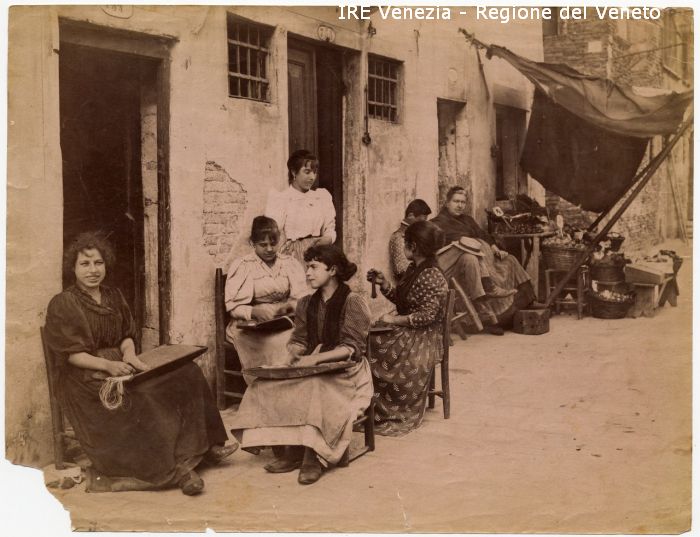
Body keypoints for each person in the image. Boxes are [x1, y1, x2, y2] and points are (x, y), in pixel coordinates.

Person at [44, 232, 235, 496]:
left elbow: (126, 336)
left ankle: (206, 446)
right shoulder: (64, 303)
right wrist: (108, 366)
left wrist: (131, 356)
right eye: (84, 264)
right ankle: (175, 469)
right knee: (144, 395)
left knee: (188, 372)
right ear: (73, 268)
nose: (93, 270)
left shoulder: (113, 296)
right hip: (86, 378)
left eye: (98, 263)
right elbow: (72, 355)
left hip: (121, 367)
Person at [230, 245, 373, 485]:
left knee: (313, 386)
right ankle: (291, 449)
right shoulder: (306, 303)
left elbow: (352, 348)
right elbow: (299, 340)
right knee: (266, 383)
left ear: (333, 270)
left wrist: (315, 359)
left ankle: (312, 455)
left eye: (314, 267)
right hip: (313, 364)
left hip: (348, 371)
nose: (307, 273)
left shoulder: (353, 302)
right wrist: (291, 358)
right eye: (307, 267)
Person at [367, 221, 449, 436]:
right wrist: (384, 284)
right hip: (413, 330)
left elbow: (427, 317)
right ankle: (374, 405)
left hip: (424, 336)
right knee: (368, 337)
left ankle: (386, 407)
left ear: (414, 247)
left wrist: (393, 320)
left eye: (406, 244)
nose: (403, 247)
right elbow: (403, 300)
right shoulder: (415, 269)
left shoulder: (431, 274)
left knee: (373, 345)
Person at [431, 186, 535, 335]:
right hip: (461, 265)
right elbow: (438, 251)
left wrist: (495, 248)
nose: (460, 205)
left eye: (463, 202)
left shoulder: (467, 219)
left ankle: (529, 300)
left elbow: (482, 234)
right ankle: (492, 320)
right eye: (456, 201)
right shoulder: (436, 223)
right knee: (478, 264)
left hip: (484, 256)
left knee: (510, 260)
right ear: (447, 203)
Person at [225, 216, 307, 378]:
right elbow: (233, 307)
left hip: (282, 322)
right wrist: (254, 311)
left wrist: (289, 307)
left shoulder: (289, 263)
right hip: (249, 327)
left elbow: (303, 297)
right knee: (280, 345)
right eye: (263, 245)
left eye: (273, 244)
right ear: (252, 243)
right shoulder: (243, 266)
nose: (269, 249)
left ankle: (292, 385)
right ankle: (268, 385)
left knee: (300, 339)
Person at [264, 149, 336, 265]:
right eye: (307, 172)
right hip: (294, 255)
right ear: (294, 172)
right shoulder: (282, 198)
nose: (312, 177)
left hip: (319, 252)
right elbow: (272, 233)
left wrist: (328, 238)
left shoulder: (321, 197)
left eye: (314, 172)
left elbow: (330, 227)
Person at [388, 199, 432, 280]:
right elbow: (401, 270)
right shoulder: (399, 237)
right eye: (421, 221)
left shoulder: (417, 235)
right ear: (410, 216)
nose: (423, 225)